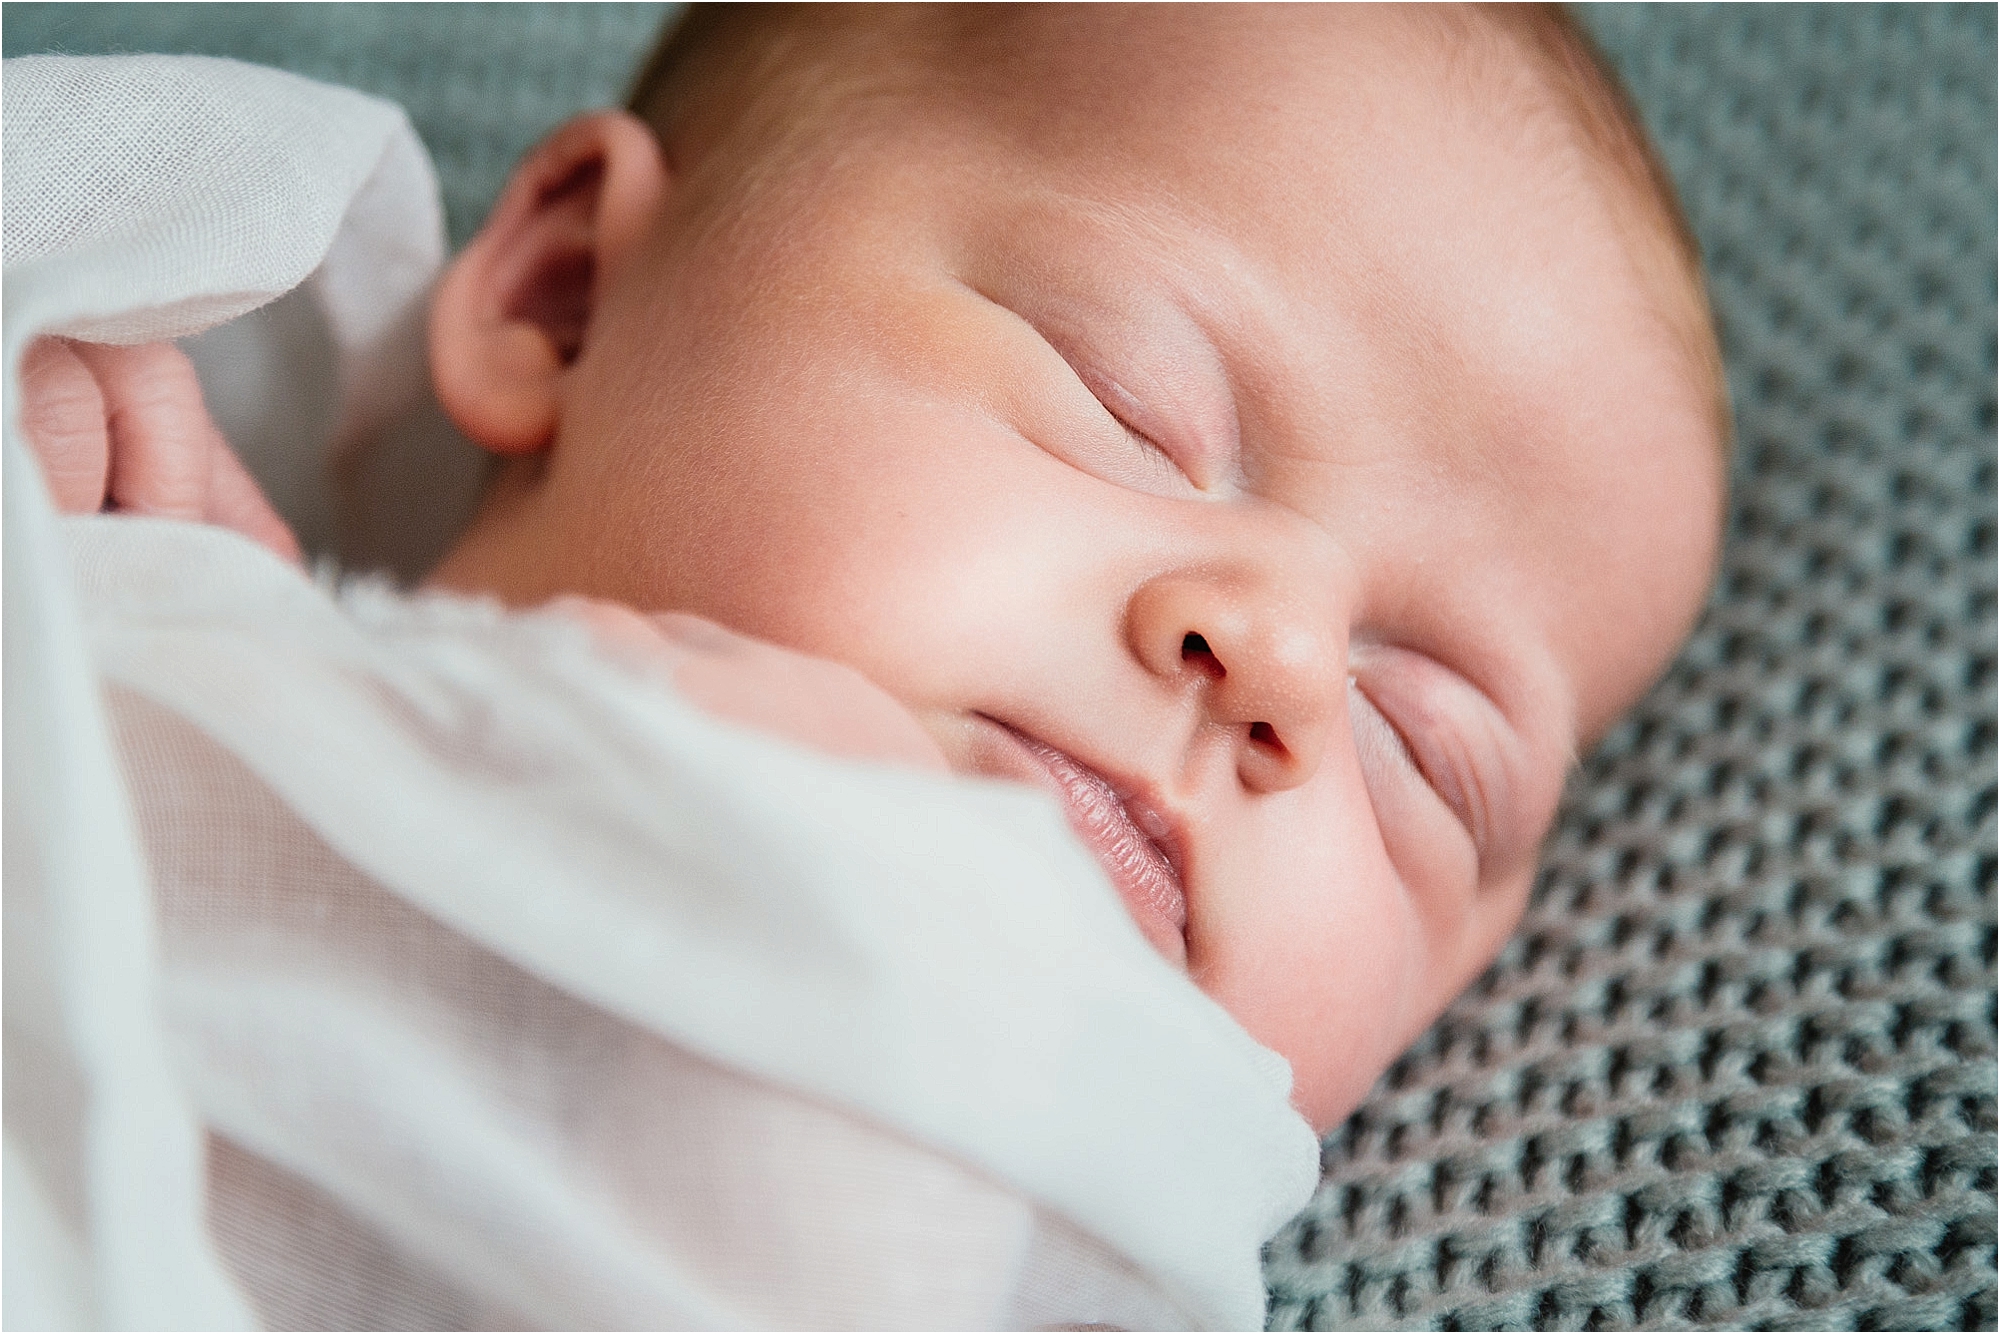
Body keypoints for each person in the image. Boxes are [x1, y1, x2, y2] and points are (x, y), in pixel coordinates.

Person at [9, 4, 1726, 1325]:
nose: (1279, 659)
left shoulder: (1099, 1221)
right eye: (1128, 406)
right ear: (568, 297)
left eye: (1420, 743)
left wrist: (828, 985)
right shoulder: (151, 474)